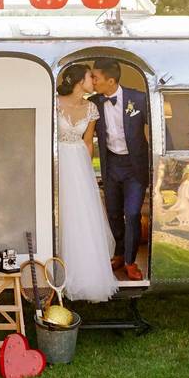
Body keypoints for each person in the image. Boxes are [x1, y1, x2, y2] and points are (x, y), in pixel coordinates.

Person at [56, 64, 119, 302]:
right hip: (58, 160)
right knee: (60, 214)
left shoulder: (92, 107)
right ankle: (55, 272)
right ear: (78, 81)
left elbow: (88, 142)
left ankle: (82, 275)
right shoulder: (55, 102)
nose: (93, 80)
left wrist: (87, 170)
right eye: (89, 77)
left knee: (81, 216)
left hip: (78, 164)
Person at [90, 59, 149, 281]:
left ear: (111, 80)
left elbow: (160, 130)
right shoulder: (94, 102)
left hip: (134, 167)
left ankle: (131, 262)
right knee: (113, 213)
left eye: (96, 77)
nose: (93, 81)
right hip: (111, 164)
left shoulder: (139, 98)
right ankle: (119, 254)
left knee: (132, 214)